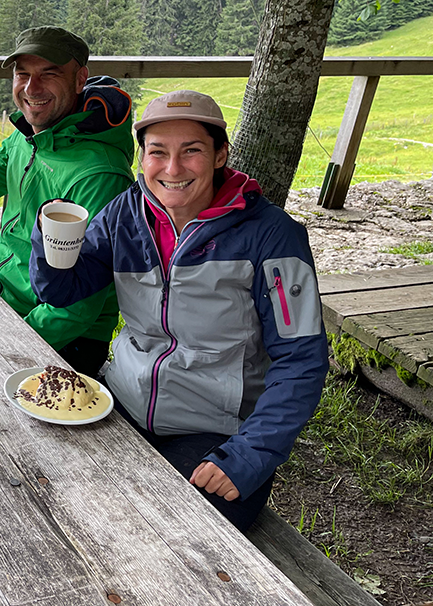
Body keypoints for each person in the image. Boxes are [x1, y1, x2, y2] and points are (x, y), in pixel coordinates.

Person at [29, 90, 329, 531]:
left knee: (176, 541)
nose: (172, 169)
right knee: (47, 498)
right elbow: (61, 289)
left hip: (215, 432)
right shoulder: (125, 215)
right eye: (158, 153)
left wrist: (250, 455)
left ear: (220, 154)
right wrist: (48, 236)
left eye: (191, 151)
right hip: (121, 403)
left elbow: (302, 359)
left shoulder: (272, 236)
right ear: (142, 158)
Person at [0, 26, 134, 377]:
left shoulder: (100, 175)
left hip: (65, 338)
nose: (31, 88)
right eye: (22, 74)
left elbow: (76, 309)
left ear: (79, 79)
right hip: (7, 291)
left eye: (49, 74)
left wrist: (7, 343)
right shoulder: (31, 135)